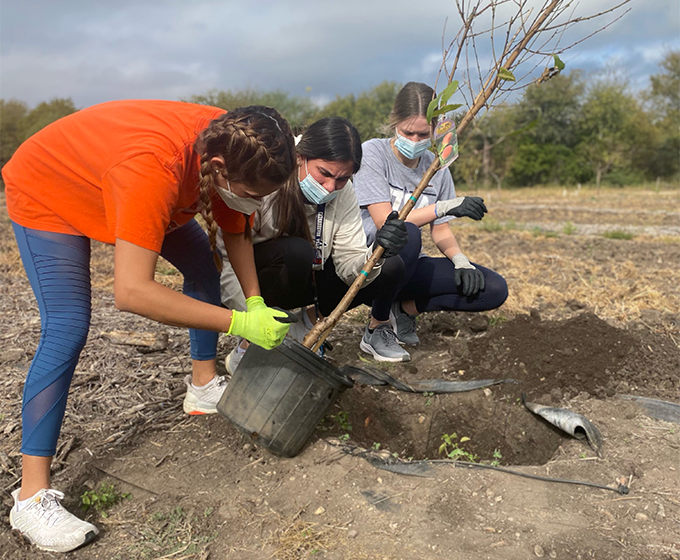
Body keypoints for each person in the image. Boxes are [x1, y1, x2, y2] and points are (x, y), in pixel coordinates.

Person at [1, 100, 297, 553]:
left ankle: (202, 385)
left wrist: (255, 302)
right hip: (51, 188)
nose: (257, 203)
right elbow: (133, 292)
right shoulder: (152, 166)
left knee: (203, 265)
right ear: (217, 169)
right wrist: (239, 321)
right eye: (254, 194)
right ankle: (30, 496)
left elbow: (234, 230)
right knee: (67, 326)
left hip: (135, 181)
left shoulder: (240, 140)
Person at [219, 116, 409, 370]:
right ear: (301, 157)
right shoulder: (266, 177)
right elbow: (227, 262)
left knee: (391, 266)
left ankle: (305, 324)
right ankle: (254, 340)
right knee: (296, 252)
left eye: (341, 179)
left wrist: (376, 255)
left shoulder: (344, 192)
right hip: (258, 282)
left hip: (311, 280)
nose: (331, 187)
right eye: (324, 174)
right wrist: (252, 317)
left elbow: (348, 262)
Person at [353, 82, 508, 360]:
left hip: (409, 268)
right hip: (369, 265)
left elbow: (441, 230)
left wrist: (460, 260)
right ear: (394, 124)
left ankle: (403, 311)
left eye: (422, 134)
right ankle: (378, 327)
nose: (414, 140)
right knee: (407, 234)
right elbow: (384, 224)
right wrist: (443, 206)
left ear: (435, 128)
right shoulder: (373, 154)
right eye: (407, 132)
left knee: (493, 289)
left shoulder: (436, 168)